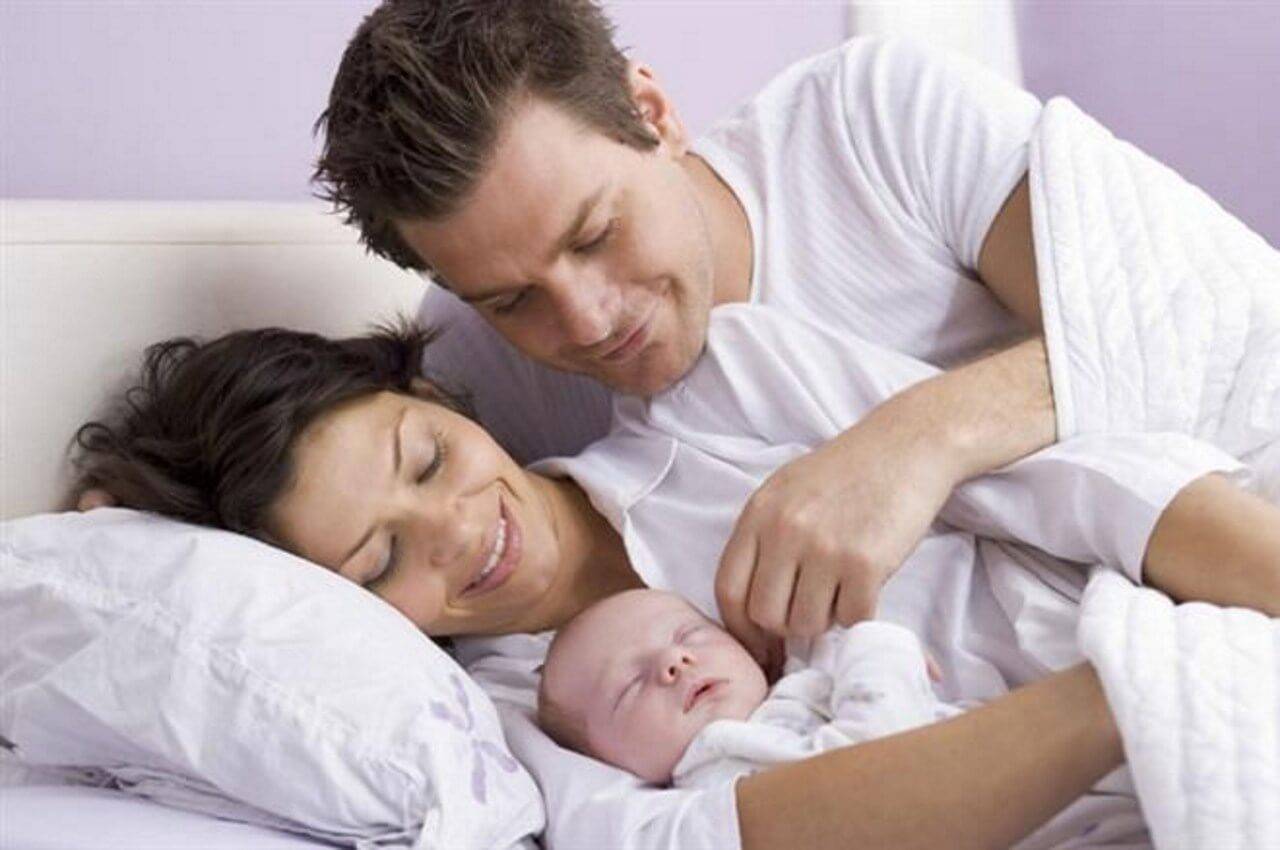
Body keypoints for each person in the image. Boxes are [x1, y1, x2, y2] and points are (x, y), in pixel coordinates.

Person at [312, 0, 1280, 673]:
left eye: (596, 235)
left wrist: (912, 443)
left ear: (652, 115)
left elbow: (1206, 320)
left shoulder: (873, 121)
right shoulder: (469, 393)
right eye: (511, 298)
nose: (588, 322)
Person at [74, 316, 1280, 849]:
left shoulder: (722, 396)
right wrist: (1141, 693)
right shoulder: (504, 727)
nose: (457, 529)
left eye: (427, 458)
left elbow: (1085, 486)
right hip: (1161, 724)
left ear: (433, 396)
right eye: (379, 559)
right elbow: (723, 839)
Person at [537, 588, 959, 787]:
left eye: (689, 635)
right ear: (606, 765)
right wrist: (880, 648)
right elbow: (878, 765)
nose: (673, 661)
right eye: (629, 686)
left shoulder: (786, 694)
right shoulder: (722, 771)